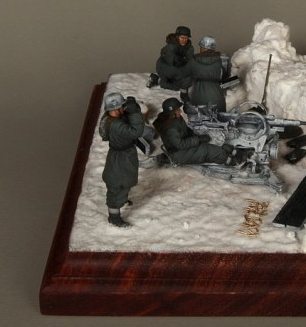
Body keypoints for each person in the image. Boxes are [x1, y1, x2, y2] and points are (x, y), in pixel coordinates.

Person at [153, 97, 250, 165]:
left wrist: (196, 136)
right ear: (171, 112)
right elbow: (180, 144)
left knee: (215, 143)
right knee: (209, 151)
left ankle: (235, 152)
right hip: (180, 153)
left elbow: (185, 130)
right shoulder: (170, 128)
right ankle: (234, 162)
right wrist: (198, 139)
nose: (180, 111)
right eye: (178, 110)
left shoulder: (175, 118)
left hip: (187, 146)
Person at [98, 92, 144, 227]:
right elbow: (136, 132)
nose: (124, 108)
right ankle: (114, 217)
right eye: (122, 106)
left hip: (122, 155)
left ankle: (122, 199)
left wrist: (130, 108)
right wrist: (134, 112)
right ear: (116, 108)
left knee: (125, 180)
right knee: (118, 185)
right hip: (122, 157)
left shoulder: (111, 118)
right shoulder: (116, 125)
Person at [152, 26, 194, 102]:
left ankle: (158, 80)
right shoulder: (170, 47)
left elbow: (190, 59)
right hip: (165, 67)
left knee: (180, 85)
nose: (184, 40)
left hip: (177, 67)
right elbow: (172, 61)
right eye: (182, 38)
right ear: (177, 37)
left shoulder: (189, 47)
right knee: (185, 76)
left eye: (186, 38)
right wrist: (184, 62)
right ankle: (182, 92)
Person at [188, 35, 227, 112]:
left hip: (198, 98)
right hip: (217, 98)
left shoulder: (192, 60)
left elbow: (186, 79)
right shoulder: (222, 60)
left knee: (198, 119)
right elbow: (224, 78)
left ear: (203, 48)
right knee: (220, 119)